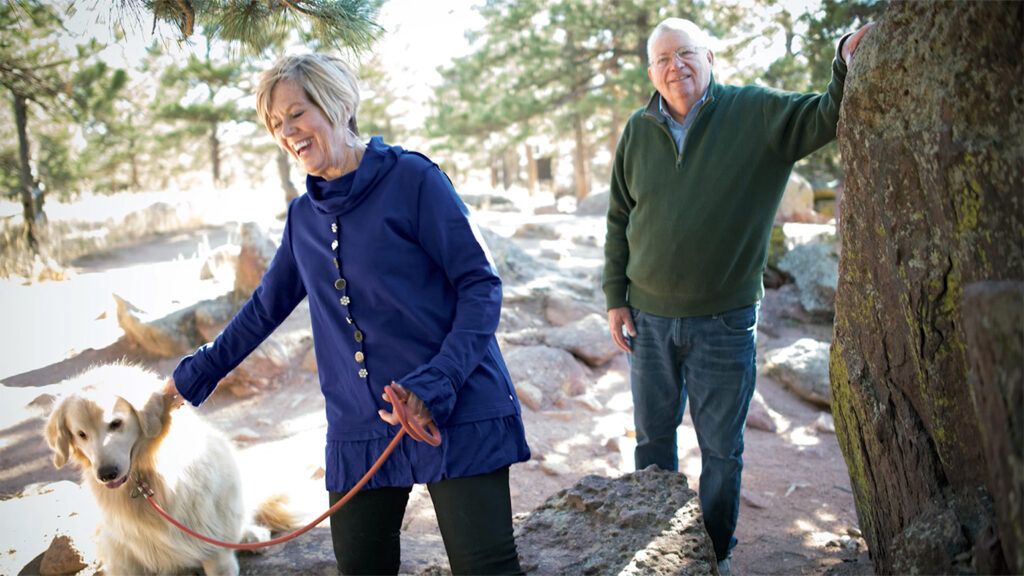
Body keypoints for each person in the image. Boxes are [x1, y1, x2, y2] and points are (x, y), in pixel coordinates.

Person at [164, 53, 530, 576]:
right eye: (275, 123)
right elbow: (264, 309)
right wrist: (187, 379)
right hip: (360, 424)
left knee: (485, 568)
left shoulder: (415, 180)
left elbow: (480, 285)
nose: (287, 131)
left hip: (457, 402)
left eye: (296, 113)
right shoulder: (302, 217)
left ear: (337, 103)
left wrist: (437, 382)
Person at [603, 17, 873, 575]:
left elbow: (824, 114)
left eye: (685, 54)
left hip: (723, 324)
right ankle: (654, 549)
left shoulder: (755, 113)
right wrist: (615, 296)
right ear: (651, 72)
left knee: (721, 453)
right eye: (662, 60)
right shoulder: (637, 129)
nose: (674, 67)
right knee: (653, 445)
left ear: (708, 57)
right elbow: (618, 219)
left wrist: (843, 62)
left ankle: (715, 554)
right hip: (649, 319)